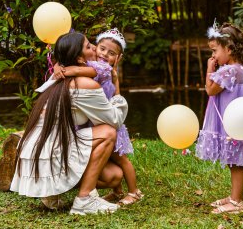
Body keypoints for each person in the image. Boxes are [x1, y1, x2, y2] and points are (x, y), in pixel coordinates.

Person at [9, 32, 128, 215]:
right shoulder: (85, 84)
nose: (95, 49)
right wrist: (117, 92)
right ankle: (84, 200)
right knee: (108, 132)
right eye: (89, 47)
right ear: (80, 58)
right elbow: (115, 119)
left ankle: (53, 191)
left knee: (113, 176)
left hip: (37, 157)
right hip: (49, 156)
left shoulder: (58, 77)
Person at [53, 28, 143, 205]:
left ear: (118, 58)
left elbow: (92, 72)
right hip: (96, 123)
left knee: (121, 159)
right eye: (101, 49)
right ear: (95, 47)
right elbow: (70, 52)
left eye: (111, 53)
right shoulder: (92, 61)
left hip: (109, 121)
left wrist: (70, 70)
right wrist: (58, 65)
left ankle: (134, 192)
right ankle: (117, 192)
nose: (104, 54)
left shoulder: (103, 69)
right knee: (106, 157)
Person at [196, 21, 243, 214]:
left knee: (235, 161)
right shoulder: (240, 68)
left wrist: (209, 69)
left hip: (232, 121)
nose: (213, 56)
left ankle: (237, 202)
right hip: (236, 120)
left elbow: (210, 90)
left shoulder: (229, 70)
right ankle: (233, 196)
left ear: (229, 49)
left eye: (215, 51)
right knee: (234, 160)